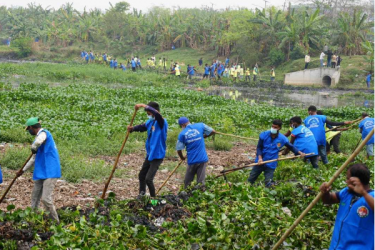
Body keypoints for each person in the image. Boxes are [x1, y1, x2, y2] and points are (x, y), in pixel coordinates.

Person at [320, 163, 375, 249]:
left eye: (347, 178)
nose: (346, 181)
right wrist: (325, 193)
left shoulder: (372, 196)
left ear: (355, 181)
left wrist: (363, 193)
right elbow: (328, 200)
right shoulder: (346, 192)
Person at [17, 117, 61, 223]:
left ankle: (55, 222)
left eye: (29, 129)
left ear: (32, 127)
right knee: (35, 197)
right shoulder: (38, 140)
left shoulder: (44, 134)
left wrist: (34, 146)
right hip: (41, 171)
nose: (29, 132)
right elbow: (33, 159)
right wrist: (22, 170)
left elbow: (40, 140)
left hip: (50, 171)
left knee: (46, 199)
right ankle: (33, 219)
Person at [127, 102, 168, 197]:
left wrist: (142, 105)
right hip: (150, 154)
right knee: (142, 176)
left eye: (149, 113)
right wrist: (132, 129)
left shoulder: (161, 122)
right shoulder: (150, 122)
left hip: (157, 155)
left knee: (148, 179)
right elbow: (142, 127)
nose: (148, 115)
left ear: (154, 112)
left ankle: (153, 200)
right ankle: (142, 194)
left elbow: (157, 114)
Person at [248, 119, 305, 186]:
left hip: (271, 163)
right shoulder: (264, 135)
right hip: (260, 162)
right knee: (250, 180)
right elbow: (259, 148)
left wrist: (299, 153)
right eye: (272, 126)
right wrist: (260, 158)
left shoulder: (282, 138)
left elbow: (291, 147)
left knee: (268, 183)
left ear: (279, 128)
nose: (273, 128)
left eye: (275, 127)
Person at [176, 117, 215, 188]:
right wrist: (203, 136)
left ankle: (186, 194)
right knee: (201, 183)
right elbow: (212, 131)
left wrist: (182, 158)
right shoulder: (200, 125)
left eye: (181, 126)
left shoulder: (182, 134)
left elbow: (179, 150)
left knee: (187, 183)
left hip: (192, 160)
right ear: (189, 121)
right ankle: (201, 195)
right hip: (202, 159)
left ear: (183, 125)